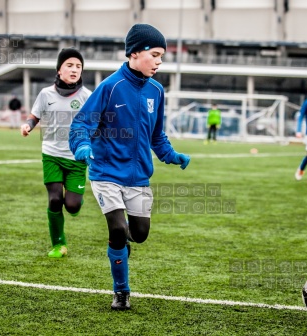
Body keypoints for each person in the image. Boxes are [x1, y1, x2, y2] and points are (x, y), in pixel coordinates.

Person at [69, 24, 191, 310]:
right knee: (117, 229)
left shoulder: (157, 91)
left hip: (138, 178)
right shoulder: (110, 87)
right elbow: (82, 124)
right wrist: (83, 146)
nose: (160, 61)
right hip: (106, 173)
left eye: (163, 56)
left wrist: (171, 155)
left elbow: (157, 135)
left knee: (139, 233)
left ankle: (123, 248)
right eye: (156, 54)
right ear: (135, 53)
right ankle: (121, 292)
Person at [21, 48, 91, 258]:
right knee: (54, 200)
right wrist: (27, 125)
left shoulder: (88, 96)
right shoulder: (45, 94)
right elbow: (35, 115)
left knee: (71, 206)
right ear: (59, 70)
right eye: (69, 65)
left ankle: (76, 199)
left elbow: (97, 122)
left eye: (78, 66)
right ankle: (58, 244)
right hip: (51, 154)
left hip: (76, 158)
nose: (74, 69)